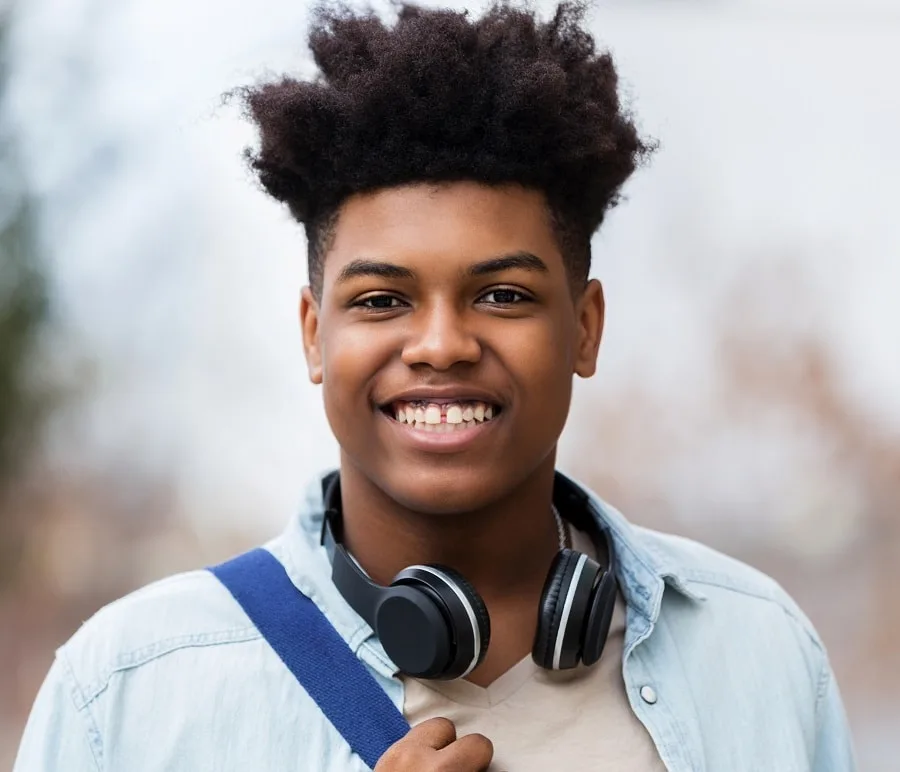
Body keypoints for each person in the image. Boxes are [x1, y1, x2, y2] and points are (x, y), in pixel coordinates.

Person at [15, 2, 856, 770]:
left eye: (503, 296)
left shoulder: (761, 653)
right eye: (382, 300)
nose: (443, 344)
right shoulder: (126, 693)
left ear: (586, 327)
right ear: (315, 335)